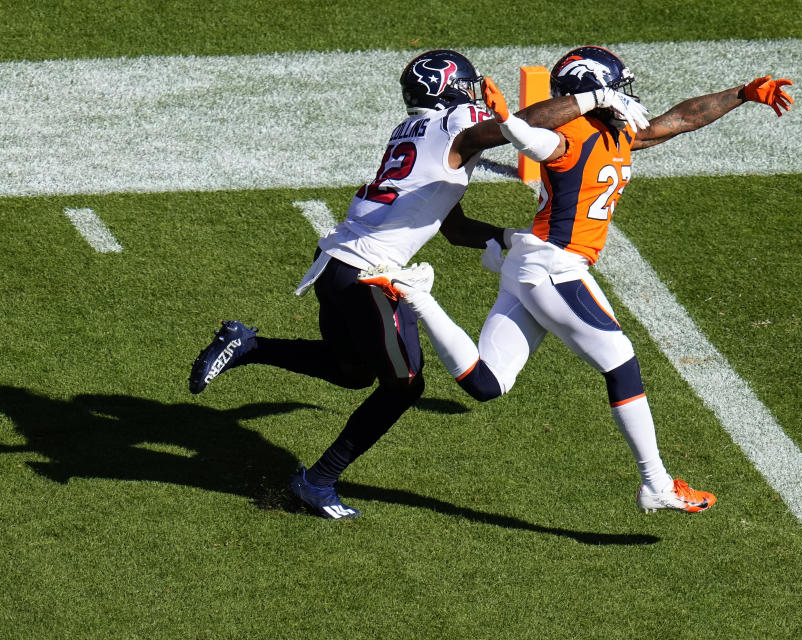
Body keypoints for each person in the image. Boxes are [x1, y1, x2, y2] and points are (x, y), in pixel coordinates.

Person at [188, 49, 650, 519]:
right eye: (467, 87)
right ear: (449, 88)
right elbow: (517, 124)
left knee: (351, 371)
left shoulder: (412, 131)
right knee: (403, 386)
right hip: (369, 272)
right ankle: (317, 481)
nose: (475, 96)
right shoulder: (457, 122)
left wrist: (513, 239)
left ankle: (248, 345)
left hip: (334, 262)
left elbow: (453, 228)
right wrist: (594, 98)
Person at [367, 45, 795, 513]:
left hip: (534, 265)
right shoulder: (570, 131)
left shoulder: (617, 132)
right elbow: (534, 141)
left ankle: (419, 297)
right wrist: (509, 120)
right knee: (621, 360)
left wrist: (743, 93)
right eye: (615, 87)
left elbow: (680, 120)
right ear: (592, 90)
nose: (626, 95)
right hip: (555, 265)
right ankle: (656, 483)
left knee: (486, 384)